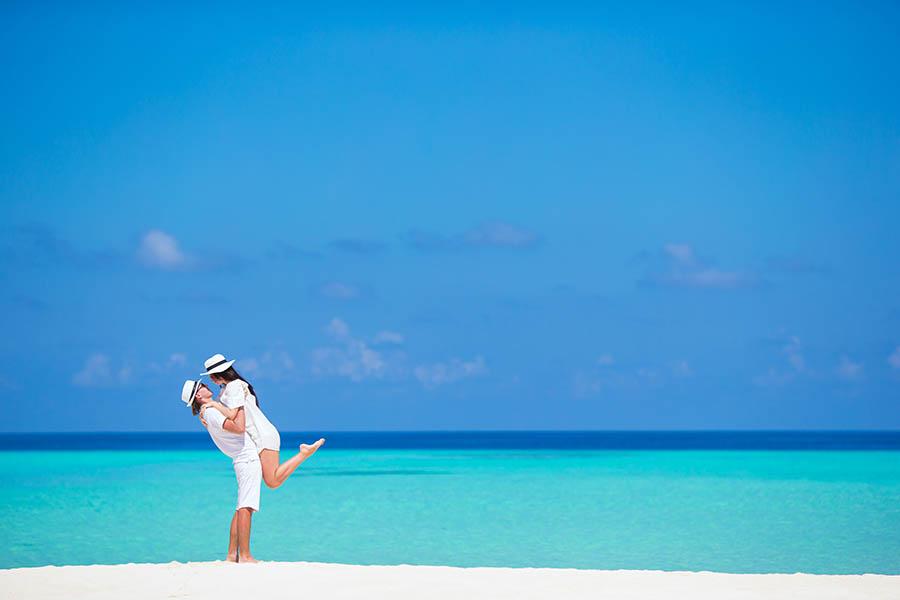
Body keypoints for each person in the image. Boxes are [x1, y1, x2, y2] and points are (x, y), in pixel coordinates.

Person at [200, 354, 324, 489]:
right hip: (259, 434)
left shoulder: (234, 386)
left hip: (262, 434)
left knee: (272, 482)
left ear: (218, 374)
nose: (210, 379)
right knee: (272, 481)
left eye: (211, 375)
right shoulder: (227, 389)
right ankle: (304, 453)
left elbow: (232, 414)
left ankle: (304, 453)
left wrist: (214, 404)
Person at [182, 379, 261, 563]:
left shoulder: (209, 412)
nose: (206, 385)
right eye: (201, 386)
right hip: (247, 458)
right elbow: (239, 428)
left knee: (241, 506)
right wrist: (239, 405)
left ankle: (232, 555)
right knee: (246, 507)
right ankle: (246, 556)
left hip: (241, 459)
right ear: (199, 395)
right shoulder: (211, 412)